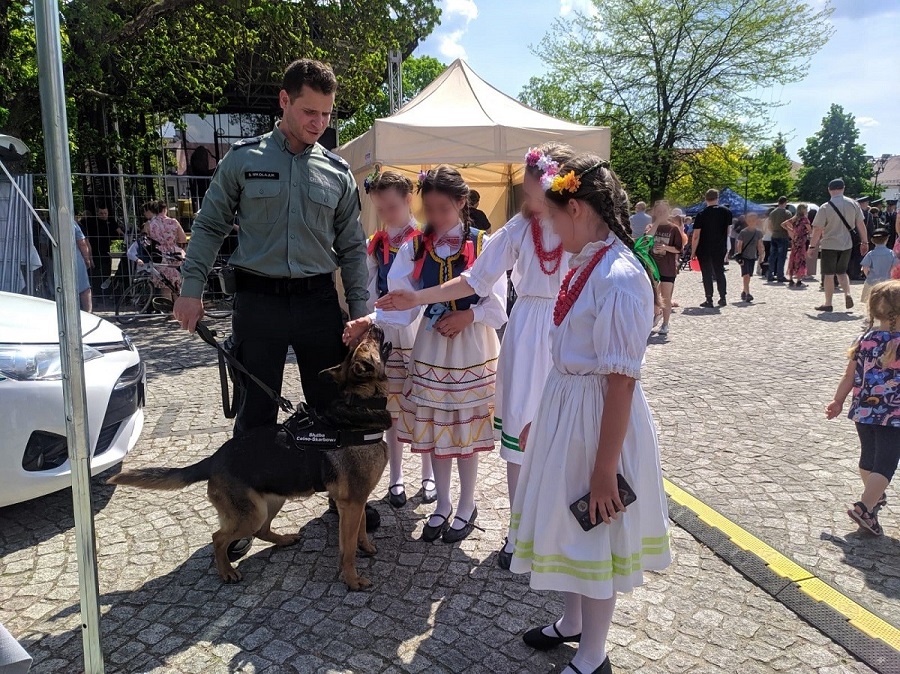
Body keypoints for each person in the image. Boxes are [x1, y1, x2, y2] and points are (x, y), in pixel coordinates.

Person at [173, 59, 376, 559]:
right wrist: (191, 289)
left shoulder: (337, 173)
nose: (319, 122)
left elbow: (353, 248)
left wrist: (362, 313)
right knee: (256, 410)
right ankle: (244, 515)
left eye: (326, 114)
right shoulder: (243, 160)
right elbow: (209, 226)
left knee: (332, 406)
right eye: (309, 111)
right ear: (284, 101)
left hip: (316, 303)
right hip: (258, 301)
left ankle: (341, 498)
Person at [376, 143, 574, 567]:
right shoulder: (511, 232)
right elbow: (464, 283)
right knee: (498, 428)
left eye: (532, 191)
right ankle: (501, 523)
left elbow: (489, 296)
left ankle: (549, 526)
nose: (526, 199)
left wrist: (468, 315)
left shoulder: (569, 227)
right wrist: (377, 315)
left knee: (563, 427)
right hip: (487, 337)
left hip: (546, 330)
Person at [510, 154, 670, 674]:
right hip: (570, 411)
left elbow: (620, 381)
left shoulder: (618, 276)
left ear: (576, 208)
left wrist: (605, 471)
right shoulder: (590, 262)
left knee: (593, 530)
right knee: (568, 522)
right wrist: (542, 418)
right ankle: (572, 622)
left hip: (598, 420)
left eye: (554, 217)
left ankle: (594, 653)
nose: (551, 229)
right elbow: (569, 352)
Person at [345, 166, 507, 544]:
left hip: (472, 346)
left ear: (462, 203)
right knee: (436, 428)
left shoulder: (483, 244)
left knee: (464, 428)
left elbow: (499, 305)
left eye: (443, 209)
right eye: (429, 209)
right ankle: (443, 503)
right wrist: (368, 319)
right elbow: (400, 306)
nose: (435, 217)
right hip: (432, 344)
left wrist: (469, 315)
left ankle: (467, 503)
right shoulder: (415, 248)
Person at [362, 170, 435, 508]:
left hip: (419, 327)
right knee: (390, 404)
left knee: (424, 401)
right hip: (387, 329)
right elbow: (370, 289)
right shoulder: (376, 244)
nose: (386, 214)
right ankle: (396, 476)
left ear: (408, 200)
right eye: (380, 208)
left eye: (392, 206)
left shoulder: (426, 240)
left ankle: (429, 474)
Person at [826, 279, 900, 536]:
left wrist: (837, 400)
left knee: (868, 457)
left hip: (864, 411)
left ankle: (873, 494)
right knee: (886, 463)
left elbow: (849, 375)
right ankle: (865, 508)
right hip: (894, 415)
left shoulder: (865, 339)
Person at [809, 179, 869, 313]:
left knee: (829, 274)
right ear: (843, 188)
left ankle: (828, 303)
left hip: (829, 244)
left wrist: (812, 247)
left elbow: (817, 229)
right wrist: (865, 242)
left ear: (829, 190)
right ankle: (847, 293)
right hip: (847, 244)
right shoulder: (853, 204)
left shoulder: (825, 207)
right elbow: (861, 224)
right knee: (842, 272)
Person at [647, 201, 683, 336]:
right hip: (653, 267)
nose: (661, 214)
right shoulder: (650, 227)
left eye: (664, 211)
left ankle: (665, 323)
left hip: (667, 267)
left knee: (666, 296)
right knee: (653, 295)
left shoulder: (673, 229)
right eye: (658, 211)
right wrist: (656, 223)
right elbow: (647, 240)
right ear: (654, 212)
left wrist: (666, 247)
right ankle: (656, 314)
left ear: (668, 211)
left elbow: (679, 248)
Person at [691, 189, 731, 307]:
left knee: (706, 273)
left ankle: (709, 299)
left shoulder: (701, 214)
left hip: (704, 248)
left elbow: (696, 235)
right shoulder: (726, 212)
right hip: (719, 246)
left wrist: (693, 251)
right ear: (717, 198)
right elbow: (728, 231)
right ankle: (723, 297)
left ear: (705, 199)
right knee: (719, 271)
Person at [140, 200, 187, 300]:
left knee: (165, 287)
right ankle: (177, 308)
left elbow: (145, 240)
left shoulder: (149, 224)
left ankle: (168, 308)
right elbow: (182, 239)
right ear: (165, 209)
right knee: (176, 286)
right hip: (174, 254)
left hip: (159, 255)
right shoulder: (174, 222)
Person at [859, 228, 899, 304]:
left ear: (872, 241)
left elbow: (865, 267)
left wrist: (867, 275)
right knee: (886, 301)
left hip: (871, 281)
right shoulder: (891, 253)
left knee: (869, 301)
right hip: (886, 281)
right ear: (887, 239)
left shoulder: (871, 254)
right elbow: (895, 266)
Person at [735, 212, 764, 303]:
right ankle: (748, 294)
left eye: (753, 220)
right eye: (750, 220)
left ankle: (744, 291)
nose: (752, 222)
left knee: (749, 275)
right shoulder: (743, 232)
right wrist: (739, 256)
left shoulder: (758, 232)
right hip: (744, 257)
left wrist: (761, 255)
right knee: (746, 275)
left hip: (752, 257)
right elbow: (739, 244)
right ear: (747, 221)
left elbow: (759, 244)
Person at [782, 204, 811, 287]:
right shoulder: (805, 219)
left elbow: (783, 224)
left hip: (795, 240)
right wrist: (806, 233)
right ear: (803, 210)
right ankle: (799, 280)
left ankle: (791, 279)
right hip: (801, 241)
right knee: (800, 259)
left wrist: (792, 230)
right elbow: (810, 230)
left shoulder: (794, 218)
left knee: (793, 258)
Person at [767, 196, 791, 283]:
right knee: (782, 257)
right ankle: (780, 276)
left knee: (772, 256)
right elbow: (789, 225)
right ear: (785, 202)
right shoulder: (787, 213)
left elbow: (769, 225)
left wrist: (773, 231)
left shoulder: (772, 212)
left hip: (774, 235)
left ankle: (770, 274)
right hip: (783, 236)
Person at [74, 222, 93, 312]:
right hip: (75, 258)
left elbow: (43, 246)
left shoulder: (48, 225)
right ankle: (88, 313)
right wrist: (87, 259)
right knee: (84, 288)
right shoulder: (72, 224)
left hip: (54, 260)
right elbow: (82, 243)